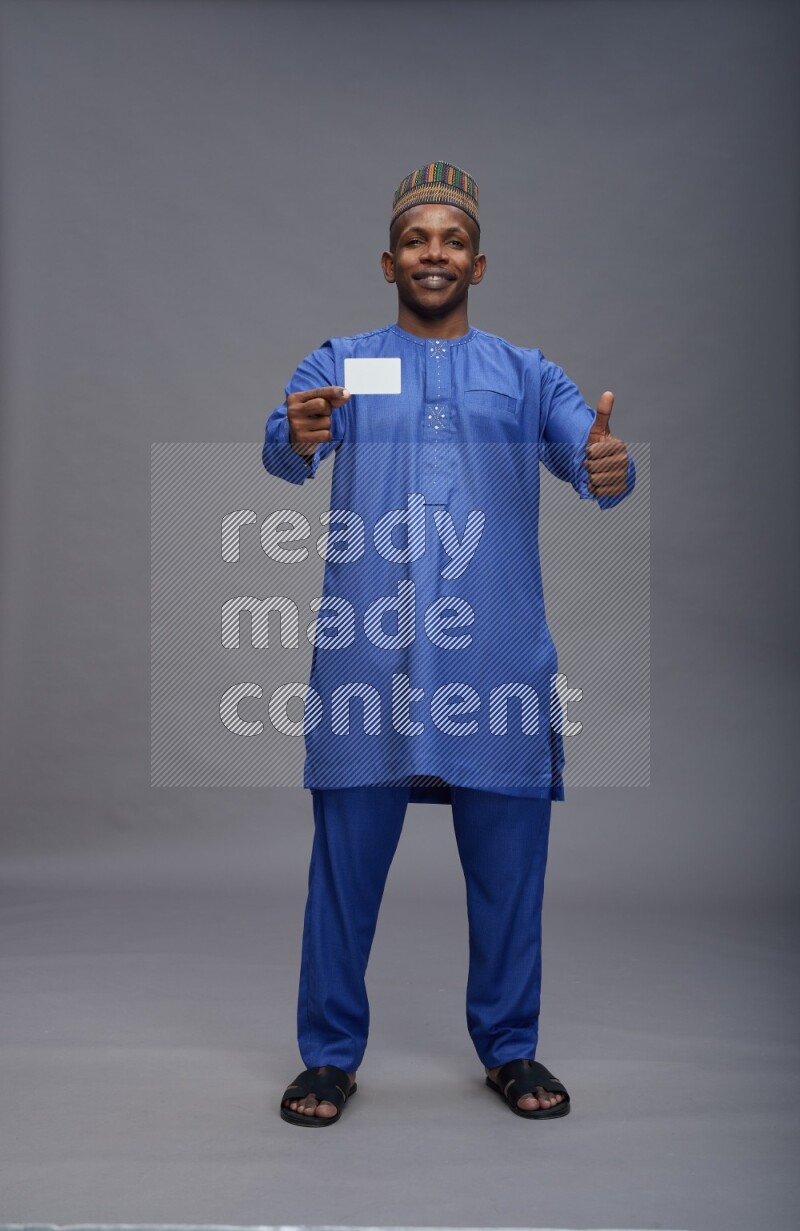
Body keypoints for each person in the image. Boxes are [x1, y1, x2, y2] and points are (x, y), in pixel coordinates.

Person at [262, 161, 635, 1125]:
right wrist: (300, 431)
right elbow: (289, 439)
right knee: (343, 870)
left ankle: (510, 1046)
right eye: (418, 239)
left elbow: (587, 461)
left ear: (480, 262)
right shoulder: (349, 359)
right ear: (390, 260)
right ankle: (328, 1055)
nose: (436, 253)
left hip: (493, 659)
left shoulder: (523, 372)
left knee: (511, 872)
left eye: (454, 239)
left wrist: (606, 464)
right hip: (369, 659)